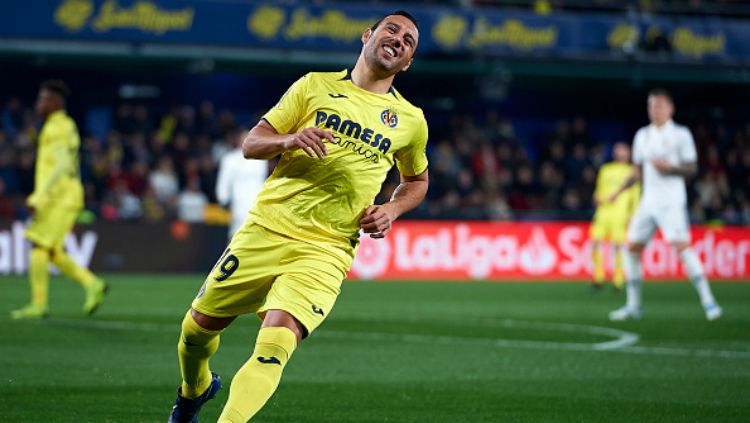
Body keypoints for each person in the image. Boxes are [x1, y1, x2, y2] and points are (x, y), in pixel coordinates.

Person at [167, 10, 428, 423]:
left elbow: (416, 181)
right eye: (391, 30)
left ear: (408, 61)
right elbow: (252, 144)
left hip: (327, 248)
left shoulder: (410, 121)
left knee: (275, 344)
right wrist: (289, 138)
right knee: (196, 330)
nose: (398, 39)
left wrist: (392, 208)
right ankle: (194, 388)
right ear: (367, 36)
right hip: (267, 229)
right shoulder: (314, 86)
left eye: (409, 40)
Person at [608, 89, 721, 321]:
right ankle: (634, 306)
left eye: (659, 106)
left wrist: (671, 169)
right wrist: (618, 191)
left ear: (671, 109)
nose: (654, 110)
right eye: (651, 106)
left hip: (671, 202)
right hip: (648, 201)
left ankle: (708, 301)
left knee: (681, 246)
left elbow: (692, 169)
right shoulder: (642, 135)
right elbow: (638, 171)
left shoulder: (680, 134)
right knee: (631, 249)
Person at [11, 80, 107, 320]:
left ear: (54, 102)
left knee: (39, 245)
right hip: (64, 195)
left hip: (59, 196)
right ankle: (93, 283)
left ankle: (38, 304)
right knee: (51, 250)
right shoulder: (61, 125)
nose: (38, 103)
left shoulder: (57, 127)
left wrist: (40, 195)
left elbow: (62, 164)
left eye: (42, 99)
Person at [589, 142, 640, 291]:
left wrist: (633, 214)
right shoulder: (606, 169)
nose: (620, 153)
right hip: (603, 211)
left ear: (628, 153)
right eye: (617, 150)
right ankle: (598, 277)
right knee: (595, 243)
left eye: (623, 150)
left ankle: (618, 279)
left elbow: (635, 196)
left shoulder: (632, 171)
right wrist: (596, 197)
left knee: (618, 245)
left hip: (620, 212)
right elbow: (599, 189)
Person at [215, 128, 268, 239]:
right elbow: (224, 181)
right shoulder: (230, 159)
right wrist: (223, 199)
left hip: (257, 204)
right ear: (238, 139)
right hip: (238, 204)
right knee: (237, 234)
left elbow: (263, 182)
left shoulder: (262, 159)